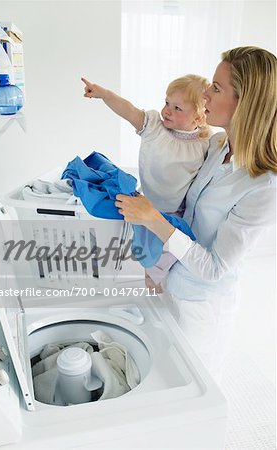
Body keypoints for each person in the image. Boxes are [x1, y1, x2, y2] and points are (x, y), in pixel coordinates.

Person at [114, 46, 277, 382]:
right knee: (154, 378)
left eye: (216, 88)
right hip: (171, 280)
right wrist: (158, 263)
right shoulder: (217, 146)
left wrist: (153, 222)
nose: (204, 93)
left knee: (186, 389)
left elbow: (215, 267)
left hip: (200, 307)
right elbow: (187, 212)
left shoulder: (264, 186)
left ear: (244, 101)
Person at [82, 74, 210, 213]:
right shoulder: (154, 127)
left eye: (177, 108)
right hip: (145, 205)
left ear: (198, 118)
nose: (167, 111)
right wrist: (105, 95)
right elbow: (129, 111)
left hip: (179, 213)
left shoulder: (205, 142)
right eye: (167, 103)